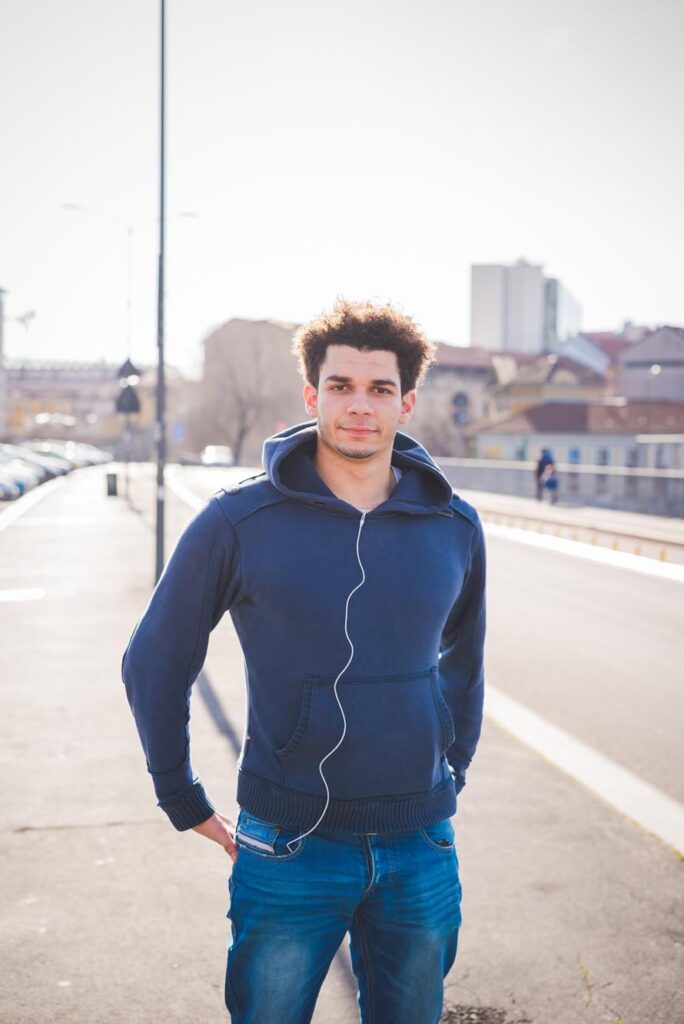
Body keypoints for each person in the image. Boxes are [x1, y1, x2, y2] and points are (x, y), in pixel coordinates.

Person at [122, 298, 487, 1024]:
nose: (360, 405)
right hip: (289, 845)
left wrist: (454, 764)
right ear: (311, 394)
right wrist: (180, 795)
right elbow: (155, 659)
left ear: (406, 402)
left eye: (380, 389)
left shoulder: (453, 523)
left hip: (421, 844)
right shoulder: (238, 520)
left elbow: (464, 660)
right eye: (341, 386)